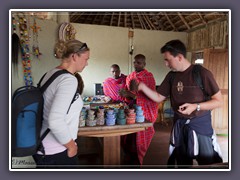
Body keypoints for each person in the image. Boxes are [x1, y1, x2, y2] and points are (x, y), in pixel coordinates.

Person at [130, 40, 223, 167]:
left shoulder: (201, 73)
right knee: (182, 163)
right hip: (179, 126)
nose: (165, 63)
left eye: (168, 60)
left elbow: (218, 101)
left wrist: (196, 106)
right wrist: (142, 87)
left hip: (201, 127)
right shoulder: (172, 76)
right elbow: (158, 97)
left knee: (209, 163)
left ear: (179, 57)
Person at [33, 39, 90, 168]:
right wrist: (71, 147)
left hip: (42, 145)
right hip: (57, 150)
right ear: (74, 56)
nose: (87, 63)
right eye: (86, 59)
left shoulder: (50, 74)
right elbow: (55, 120)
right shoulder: (68, 80)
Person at [119, 54, 158, 166]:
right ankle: (128, 159)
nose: (136, 64)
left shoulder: (149, 76)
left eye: (139, 63)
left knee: (137, 141)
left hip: (143, 111)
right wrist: (125, 94)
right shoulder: (130, 76)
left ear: (144, 64)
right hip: (131, 110)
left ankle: (136, 162)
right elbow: (129, 95)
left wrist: (131, 95)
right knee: (129, 138)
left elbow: (150, 97)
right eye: (135, 62)